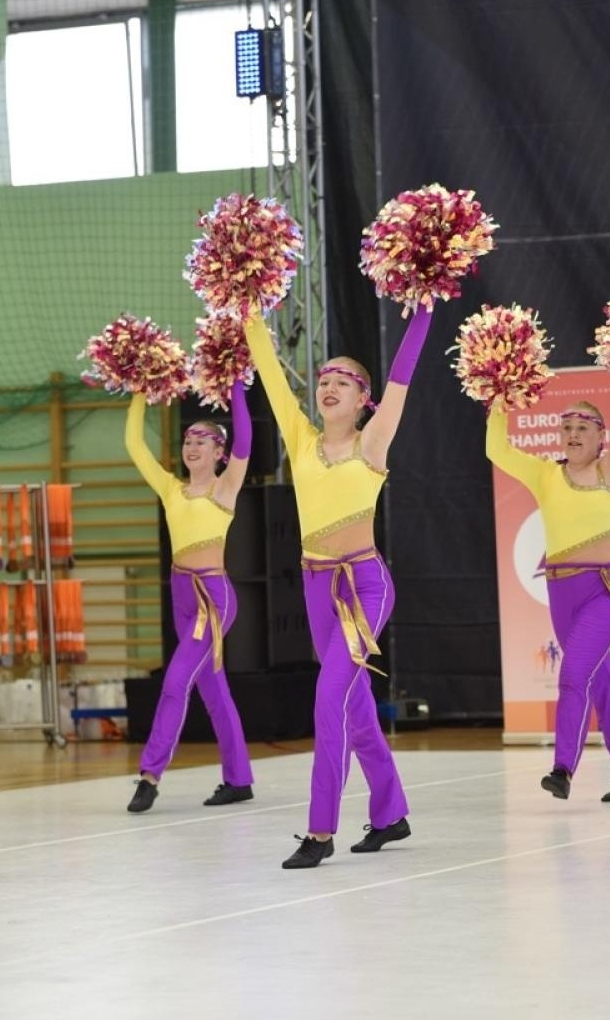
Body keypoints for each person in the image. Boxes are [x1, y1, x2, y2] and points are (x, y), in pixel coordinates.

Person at [242, 306, 433, 868]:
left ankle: (320, 831)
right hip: (316, 588)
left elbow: (402, 375)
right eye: (323, 381)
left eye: (342, 383)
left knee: (329, 700)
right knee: (354, 711)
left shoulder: (373, 442)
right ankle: (390, 813)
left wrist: (422, 306)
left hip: (364, 587)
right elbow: (273, 374)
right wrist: (249, 307)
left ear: (362, 400)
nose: (328, 388)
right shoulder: (301, 440)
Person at [485, 387, 610, 802]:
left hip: (604, 590)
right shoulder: (546, 474)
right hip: (561, 592)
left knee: (574, 673)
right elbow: (495, 448)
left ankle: (563, 767)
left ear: (602, 436)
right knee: (601, 684)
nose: (574, 434)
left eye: (583, 427)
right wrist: (498, 396)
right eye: (566, 427)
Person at [123, 379, 255, 812]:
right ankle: (239, 779)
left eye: (204, 440)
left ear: (220, 452)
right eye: (187, 440)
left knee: (176, 681)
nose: (192, 446)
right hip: (181, 593)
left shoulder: (225, 488)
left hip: (212, 599)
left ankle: (150, 775)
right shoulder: (171, 489)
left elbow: (246, 440)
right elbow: (135, 445)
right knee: (214, 692)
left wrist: (235, 384)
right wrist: (140, 390)